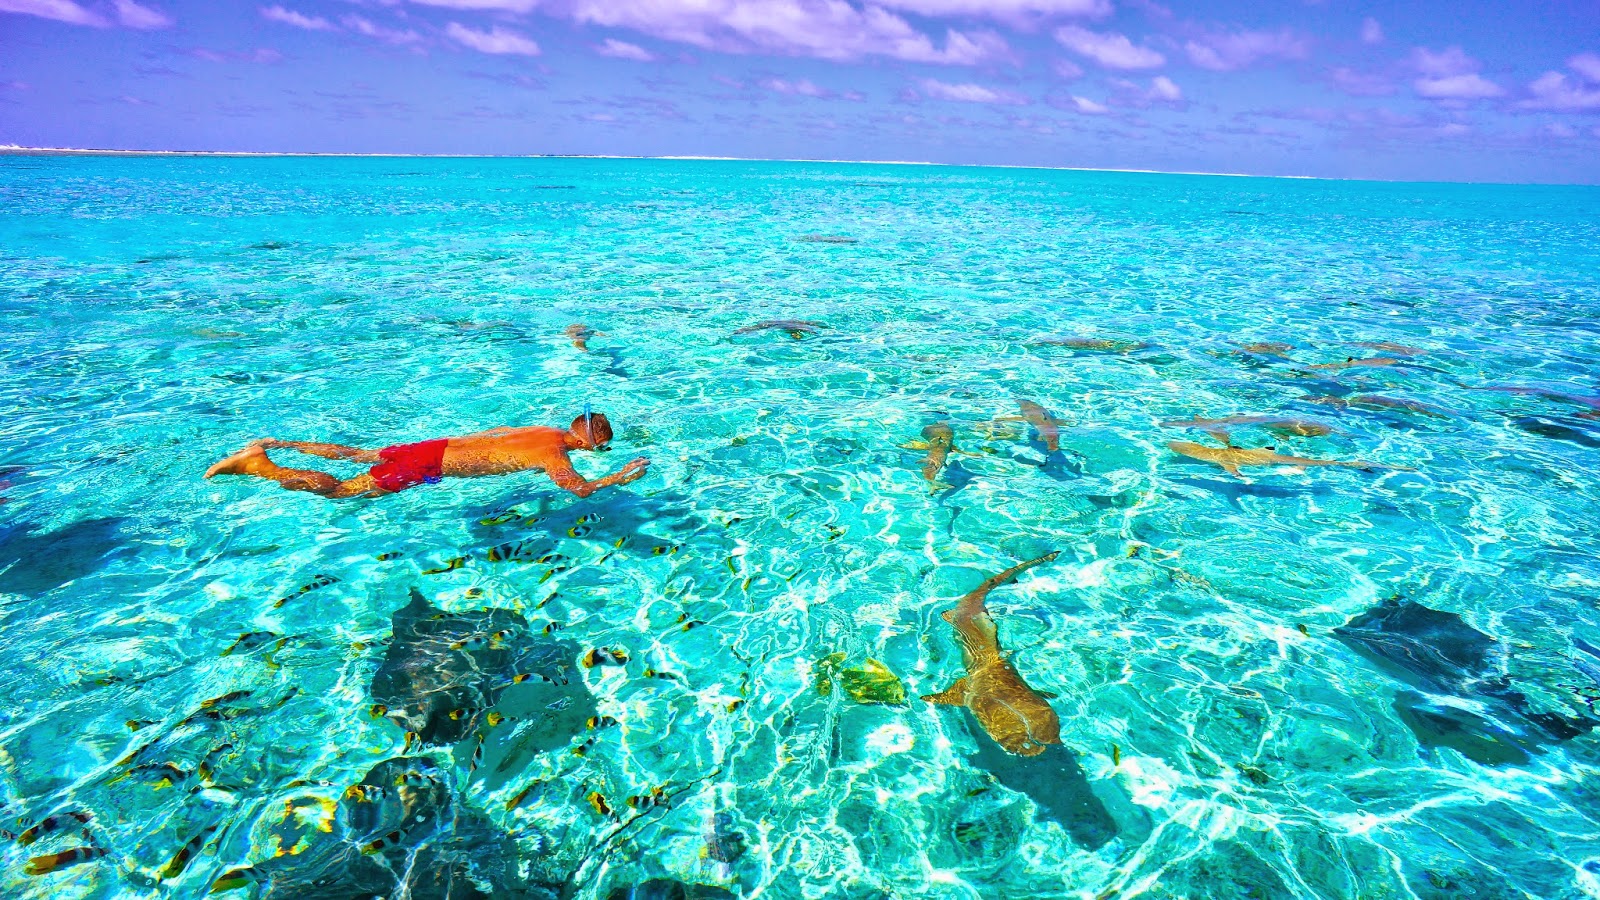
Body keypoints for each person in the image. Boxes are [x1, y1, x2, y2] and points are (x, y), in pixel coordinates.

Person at [203, 411, 648, 499]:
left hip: (437, 446)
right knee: (341, 491)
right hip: (432, 465)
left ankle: (274, 443)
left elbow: (495, 432)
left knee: (361, 454)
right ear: (589, 444)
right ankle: (260, 466)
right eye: (602, 449)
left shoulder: (543, 428)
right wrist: (620, 477)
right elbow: (582, 491)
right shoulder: (555, 455)